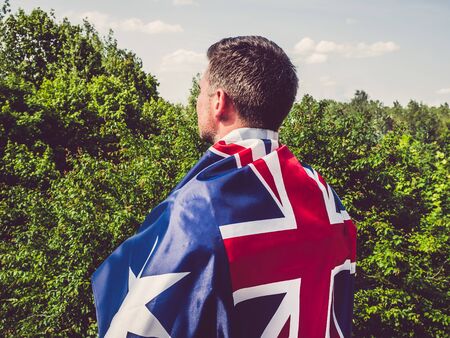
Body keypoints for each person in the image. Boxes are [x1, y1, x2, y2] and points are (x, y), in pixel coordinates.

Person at [92, 35, 357, 338]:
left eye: (200, 91)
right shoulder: (328, 200)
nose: (196, 101)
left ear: (219, 101)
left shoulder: (199, 211)